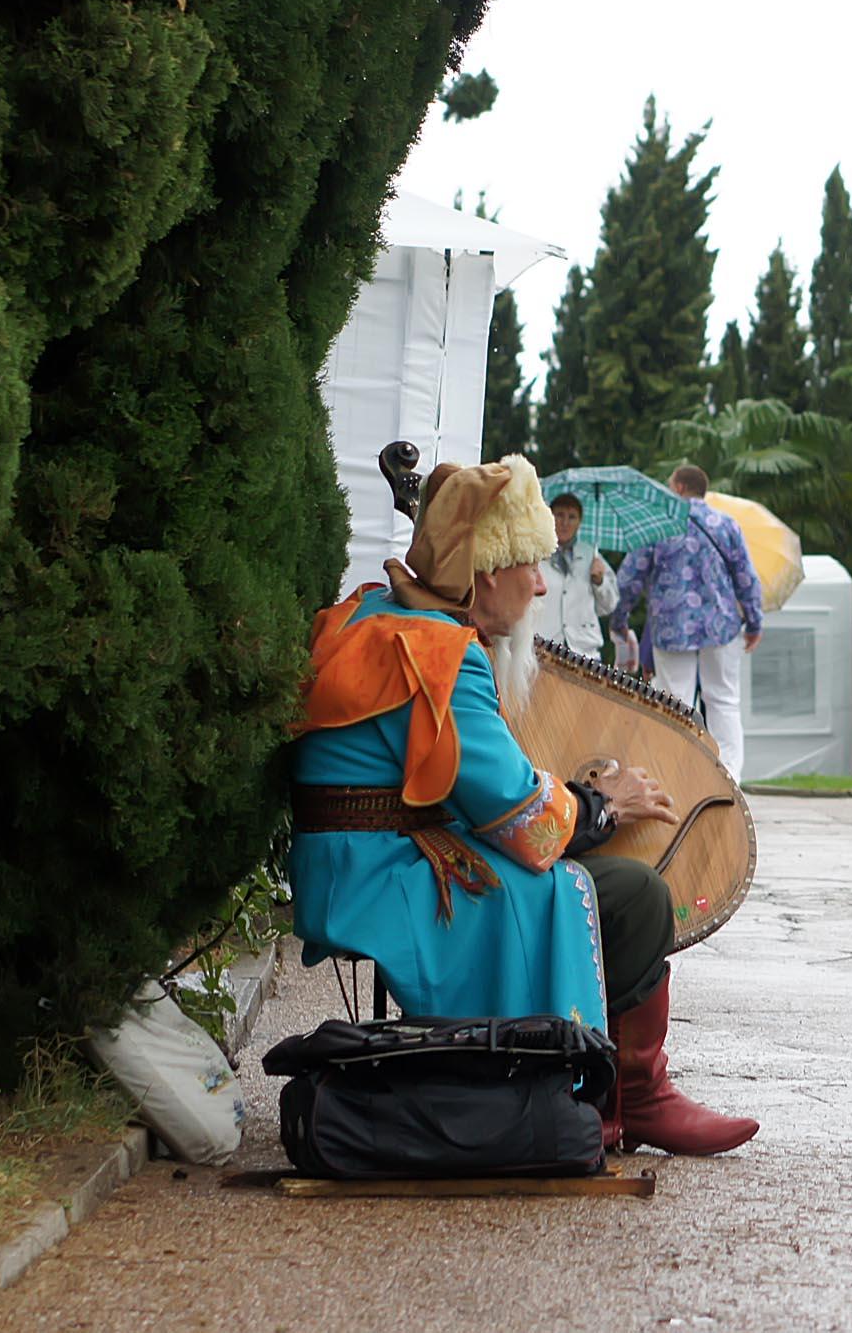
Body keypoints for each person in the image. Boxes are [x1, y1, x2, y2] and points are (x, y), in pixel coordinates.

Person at [287, 454, 757, 1156]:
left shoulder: (382, 614)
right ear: (484, 574)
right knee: (631, 894)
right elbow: (528, 824)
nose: (542, 582)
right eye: (531, 564)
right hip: (383, 884)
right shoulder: (440, 652)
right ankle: (605, 1090)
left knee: (605, 887)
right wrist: (603, 801)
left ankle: (626, 1091)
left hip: (355, 865)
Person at [610, 465, 763, 779]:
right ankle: (729, 778)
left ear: (679, 487)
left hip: (672, 627)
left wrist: (619, 619)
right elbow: (746, 577)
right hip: (721, 627)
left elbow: (629, 579)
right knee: (723, 700)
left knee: (674, 701)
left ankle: (674, 776)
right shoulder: (726, 524)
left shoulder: (658, 524)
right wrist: (754, 623)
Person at [534, 491, 618, 659]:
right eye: (559, 515)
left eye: (572, 517)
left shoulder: (591, 555)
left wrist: (599, 581)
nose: (565, 523)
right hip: (542, 646)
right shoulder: (536, 553)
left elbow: (609, 606)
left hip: (584, 650)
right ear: (549, 516)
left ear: (579, 522)